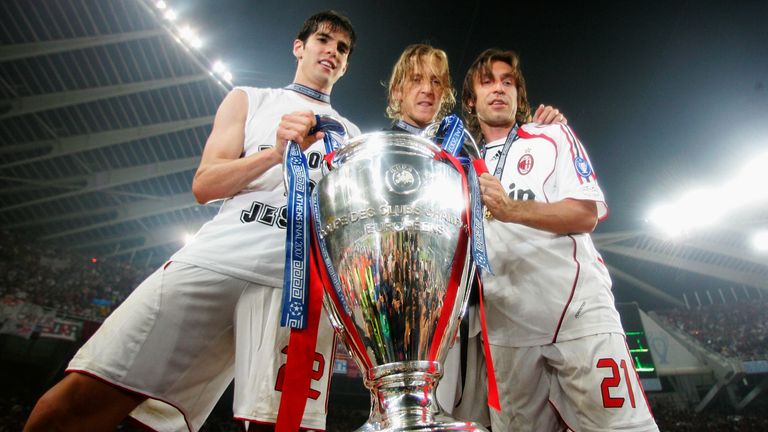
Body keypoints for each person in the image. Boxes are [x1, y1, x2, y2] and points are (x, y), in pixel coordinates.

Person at [24, 10, 360, 432]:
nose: (332, 51)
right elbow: (205, 184)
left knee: (281, 427)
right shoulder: (249, 98)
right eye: (323, 40)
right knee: (78, 400)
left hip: (292, 289)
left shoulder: (352, 137)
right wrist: (275, 153)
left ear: (346, 65)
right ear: (300, 46)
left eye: (342, 49)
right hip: (214, 260)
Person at [463, 48, 658, 431]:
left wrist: (511, 210)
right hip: (504, 328)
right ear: (471, 100)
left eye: (508, 82)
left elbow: (585, 213)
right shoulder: (461, 163)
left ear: (520, 95)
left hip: (578, 315)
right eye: (487, 82)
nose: (499, 89)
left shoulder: (551, 135)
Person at [382, 43, 568, 422]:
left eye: (436, 81)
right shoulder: (378, 154)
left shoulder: (463, 152)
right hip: (407, 316)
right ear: (397, 90)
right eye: (416, 80)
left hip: (473, 313)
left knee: (472, 418)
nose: (428, 90)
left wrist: (547, 133)